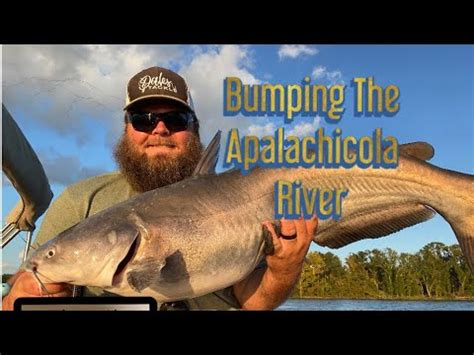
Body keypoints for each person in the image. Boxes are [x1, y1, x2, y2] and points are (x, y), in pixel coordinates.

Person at [2, 66, 317, 310]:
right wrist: (20, 296)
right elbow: (25, 282)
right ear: (127, 129)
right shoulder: (81, 202)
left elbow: (254, 302)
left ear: (194, 129)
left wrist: (283, 271)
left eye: (176, 119)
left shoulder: (251, 198)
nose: (160, 129)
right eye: (144, 118)